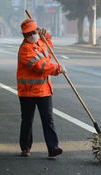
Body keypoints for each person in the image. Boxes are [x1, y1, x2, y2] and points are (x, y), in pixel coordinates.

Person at [17, 18, 65, 158]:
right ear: (24, 35)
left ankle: (53, 148)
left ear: (36, 31)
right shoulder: (25, 49)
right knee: (27, 120)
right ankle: (25, 147)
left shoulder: (40, 42)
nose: (30, 35)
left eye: (33, 32)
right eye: (27, 34)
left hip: (43, 90)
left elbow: (49, 48)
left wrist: (46, 35)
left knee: (48, 119)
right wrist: (58, 69)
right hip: (27, 92)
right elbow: (39, 67)